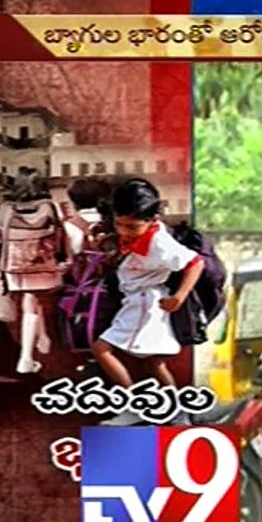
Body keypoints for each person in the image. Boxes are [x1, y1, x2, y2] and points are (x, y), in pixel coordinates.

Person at [93, 178, 204, 426]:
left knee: (102, 349)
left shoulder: (159, 243)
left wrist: (179, 297)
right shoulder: (140, 236)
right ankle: (177, 413)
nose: (124, 231)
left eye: (131, 227)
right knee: (154, 363)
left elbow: (195, 263)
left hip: (144, 303)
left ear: (152, 220)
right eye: (119, 224)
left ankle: (132, 407)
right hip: (139, 300)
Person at [0, 168, 64, 374]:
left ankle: (40, 342)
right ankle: (26, 358)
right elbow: (59, 235)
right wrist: (61, 259)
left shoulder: (6, 208)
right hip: (42, 262)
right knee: (33, 300)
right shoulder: (48, 206)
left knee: (30, 300)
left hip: (14, 264)